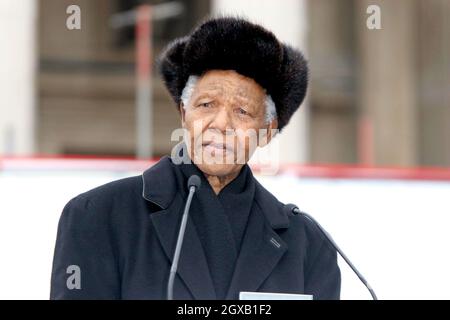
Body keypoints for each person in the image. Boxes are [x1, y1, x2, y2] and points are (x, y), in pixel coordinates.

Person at [50, 16, 341, 300]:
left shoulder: (308, 245)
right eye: (206, 104)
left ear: (266, 132)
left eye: (242, 111)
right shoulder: (98, 217)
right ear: (184, 113)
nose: (221, 124)